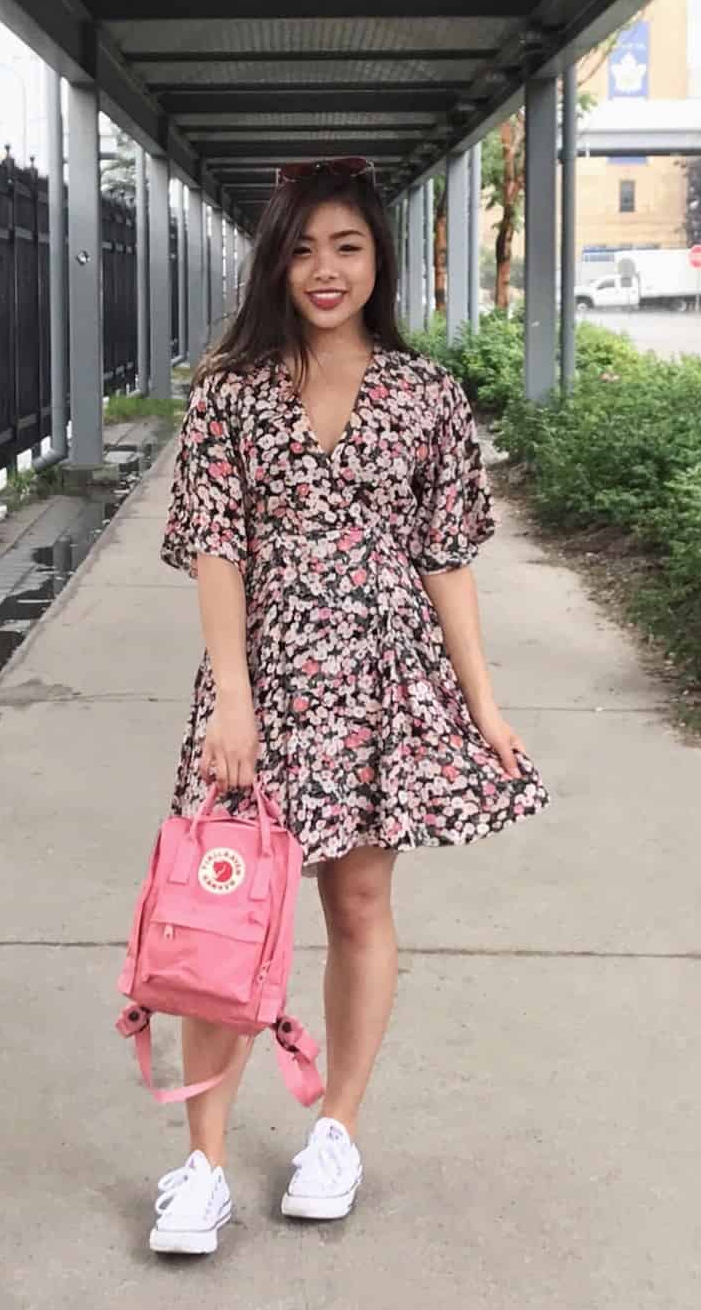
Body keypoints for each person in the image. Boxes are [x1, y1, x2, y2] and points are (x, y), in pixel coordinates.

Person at [149, 156, 549, 1255]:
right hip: (263, 680)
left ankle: (336, 1124)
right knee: (225, 911)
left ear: (379, 259)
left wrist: (482, 700)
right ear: (274, 258)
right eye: (304, 247)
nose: (325, 270)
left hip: (381, 679)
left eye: (348, 247)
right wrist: (231, 698)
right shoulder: (230, 391)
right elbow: (215, 548)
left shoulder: (423, 395)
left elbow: (443, 557)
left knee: (358, 908)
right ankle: (201, 1164)